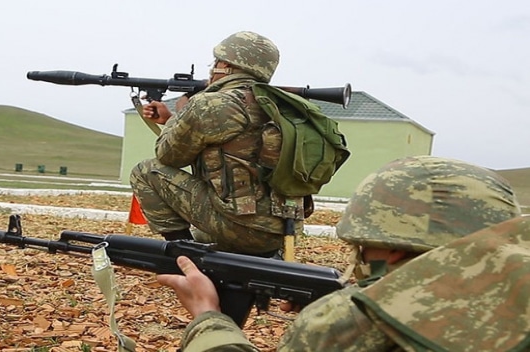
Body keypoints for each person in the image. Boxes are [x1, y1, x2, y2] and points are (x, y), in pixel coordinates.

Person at [156, 155, 522, 351]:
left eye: (361, 246)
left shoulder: (353, 324)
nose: (358, 257)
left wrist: (208, 319)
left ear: (392, 250)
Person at [129, 31, 310, 256]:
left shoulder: (211, 104)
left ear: (224, 64)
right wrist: (170, 120)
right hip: (285, 230)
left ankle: (187, 257)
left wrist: (180, 115)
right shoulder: (284, 105)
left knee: (144, 171)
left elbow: (168, 156)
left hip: (241, 227)